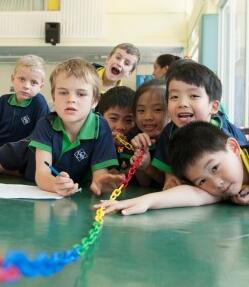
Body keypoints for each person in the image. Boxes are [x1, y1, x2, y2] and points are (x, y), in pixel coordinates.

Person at [0, 58, 123, 197]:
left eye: (81, 94)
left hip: (30, 172)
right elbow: (42, 174)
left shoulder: (100, 127)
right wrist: (54, 185)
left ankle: (13, 172)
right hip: (23, 154)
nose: (71, 99)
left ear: (94, 100)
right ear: (53, 96)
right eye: (63, 92)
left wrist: (100, 181)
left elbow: (100, 174)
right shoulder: (46, 124)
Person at [93, 121, 249, 215]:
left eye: (214, 167)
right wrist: (146, 202)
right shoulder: (218, 188)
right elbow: (194, 195)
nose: (217, 183)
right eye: (201, 181)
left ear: (234, 148)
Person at [151, 59, 248, 189]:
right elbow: (167, 165)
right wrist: (170, 177)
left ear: (213, 107)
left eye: (194, 96)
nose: (182, 103)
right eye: (174, 97)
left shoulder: (222, 133)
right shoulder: (169, 133)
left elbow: (240, 163)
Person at [0, 55, 49, 146]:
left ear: (40, 87)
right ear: (13, 79)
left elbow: (41, 133)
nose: (26, 86)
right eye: (22, 79)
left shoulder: (39, 102)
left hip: (24, 150)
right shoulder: (3, 101)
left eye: (33, 82)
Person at [127, 79, 169, 186]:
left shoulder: (174, 138)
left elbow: (169, 183)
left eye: (158, 109)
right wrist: (142, 164)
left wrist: (148, 167)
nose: (148, 117)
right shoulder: (133, 138)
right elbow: (144, 184)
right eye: (141, 110)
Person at [98, 85, 135, 171]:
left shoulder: (138, 143)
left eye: (129, 120)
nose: (120, 127)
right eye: (113, 119)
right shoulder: (94, 141)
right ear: (100, 117)